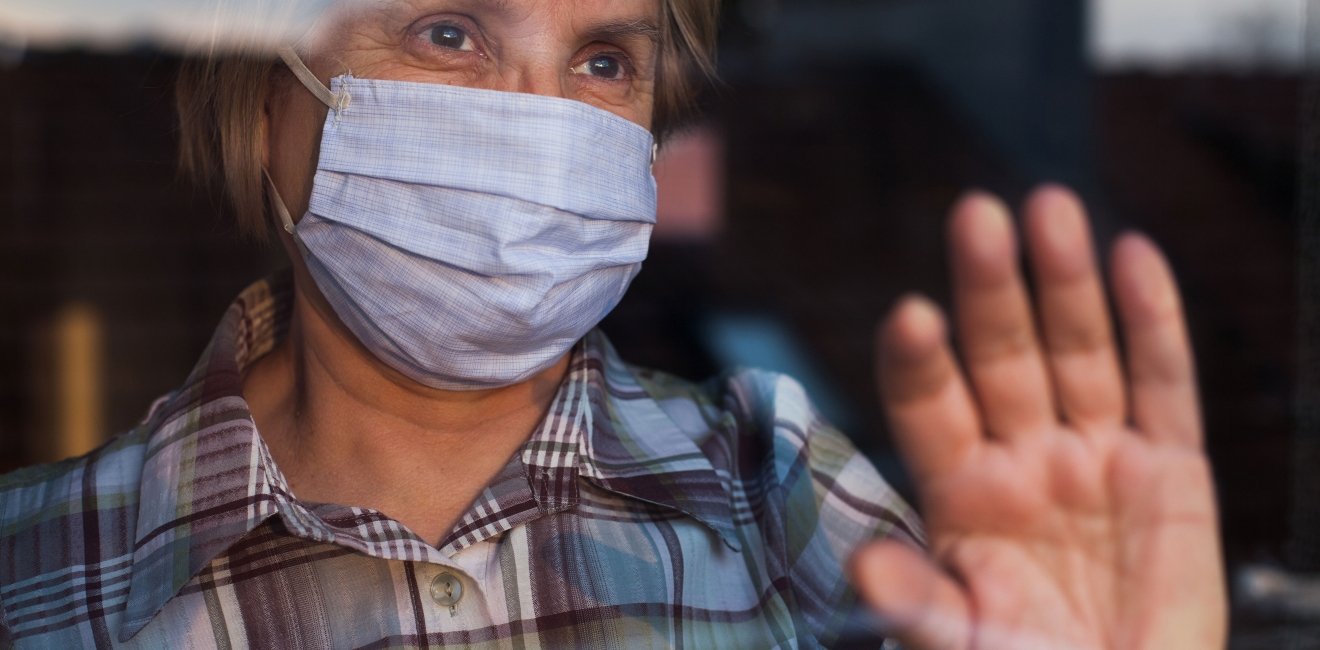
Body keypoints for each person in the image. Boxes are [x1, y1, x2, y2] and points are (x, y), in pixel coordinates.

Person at [0, 0, 1226, 647]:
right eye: (449, 32)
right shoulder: (36, 572)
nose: (542, 122)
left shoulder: (780, 486)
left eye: (602, 62)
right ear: (264, 93)